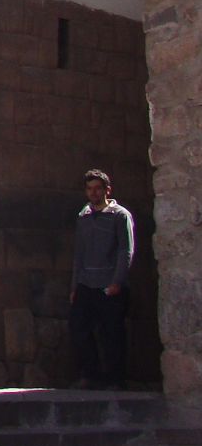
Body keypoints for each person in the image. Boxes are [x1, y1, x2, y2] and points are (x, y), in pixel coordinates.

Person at [70, 167, 134, 389]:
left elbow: (125, 250)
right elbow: (79, 253)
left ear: (107, 190)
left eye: (98, 189)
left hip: (110, 284)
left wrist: (117, 281)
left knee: (112, 334)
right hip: (86, 283)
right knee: (80, 330)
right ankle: (90, 375)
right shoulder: (83, 217)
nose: (94, 193)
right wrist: (74, 286)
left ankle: (116, 379)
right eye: (90, 189)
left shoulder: (120, 216)